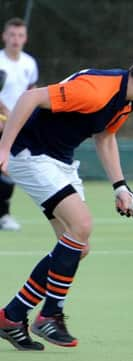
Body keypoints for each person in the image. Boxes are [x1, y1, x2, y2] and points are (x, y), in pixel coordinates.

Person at [0, 44, 133, 351]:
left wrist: (120, 186)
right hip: (30, 152)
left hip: (60, 159)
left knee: (75, 249)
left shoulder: (126, 101)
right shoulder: (96, 91)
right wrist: (4, 147)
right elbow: (30, 97)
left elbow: (106, 137)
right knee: (81, 225)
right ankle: (50, 315)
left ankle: (12, 316)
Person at [0, 17, 38, 231]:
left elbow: (32, 92)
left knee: (8, 170)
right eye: (12, 34)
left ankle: (3, 215)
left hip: (16, 125)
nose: (16, 39)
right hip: (1, 121)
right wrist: (5, 112)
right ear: (4, 36)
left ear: (25, 38)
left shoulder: (29, 63)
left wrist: (24, 118)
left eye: (20, 35)